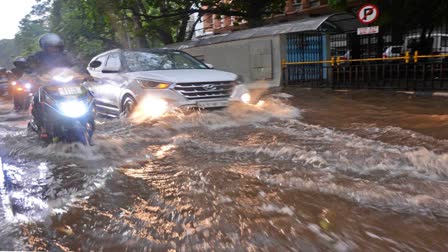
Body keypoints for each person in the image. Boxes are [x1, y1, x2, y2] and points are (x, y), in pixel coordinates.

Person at [27, 33, 92, 136]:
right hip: (49, 86)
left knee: (89, 95)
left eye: (55, 46)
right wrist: (35, 76)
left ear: (60, 46)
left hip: (70, 86)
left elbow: (77, 65)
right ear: (44, 47)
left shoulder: (67, 55)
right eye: (50, 46)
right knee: (37, 97)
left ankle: (90, 120)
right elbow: (30, 68)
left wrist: (84, 74)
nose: (53, 49)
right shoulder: (37, 57)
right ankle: (42, 126)